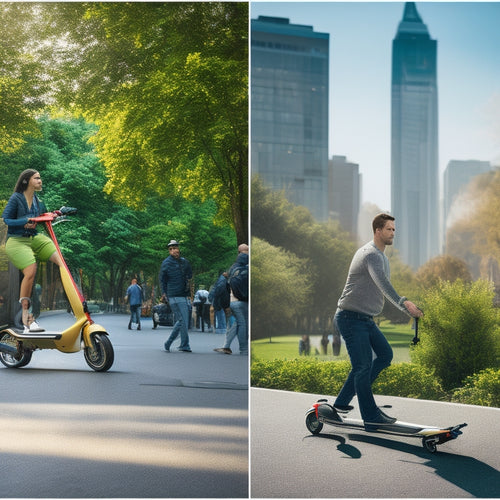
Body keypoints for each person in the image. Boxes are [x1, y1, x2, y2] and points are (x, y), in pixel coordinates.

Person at [333, 213, 422, 431]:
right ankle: (371, 416)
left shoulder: (382, 258)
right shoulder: (370, 254)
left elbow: (380, 287)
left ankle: (342, 402)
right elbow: (383, 285)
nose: (392, 233)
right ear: (377, 231)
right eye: (389, 229)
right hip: (350, 318)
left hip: (365, 319)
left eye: (394, 229)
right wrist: (404, 303)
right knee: (362, 366)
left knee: (384, 355)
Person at [1, 169, 63, 333]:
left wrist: (55, 214)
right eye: (36, 178)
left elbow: (43, 215)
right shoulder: (16, 198)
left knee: (61, 261)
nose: (40, 181)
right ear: (27, 181)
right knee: (31, 269)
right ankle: (26, 317)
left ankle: (77, 302)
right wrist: (25, 220)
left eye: (40, 178)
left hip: (34, 238)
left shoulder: (37, 200)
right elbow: (6, 219)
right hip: (16, 240)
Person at [214, 244, 248, 355]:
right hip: (242, 301)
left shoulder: (233, 268)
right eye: (246, 250)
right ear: (240, 252)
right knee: (242, 324)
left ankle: (226, 346)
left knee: (236, 324)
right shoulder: (247, 267)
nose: (248, 251)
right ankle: (244, 349)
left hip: (232, 300)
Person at [159, 239, 193, 352]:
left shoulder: (184, 261)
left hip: (183, 294)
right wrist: (164, 293)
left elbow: (190, 275)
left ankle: (171, 342)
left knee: (182, 320)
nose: (175, 250)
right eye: (172, 249)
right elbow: (162, 280)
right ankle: (184, 345)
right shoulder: (166, 263)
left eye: (176, 248)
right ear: (169, 251)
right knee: (183, 320)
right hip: (173, 295)